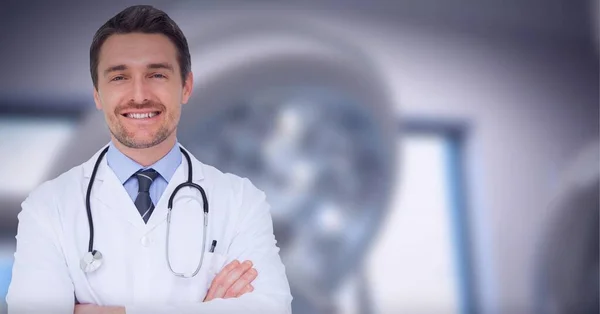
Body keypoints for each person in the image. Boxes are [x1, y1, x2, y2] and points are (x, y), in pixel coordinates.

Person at [6, 5, 292, 314]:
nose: (139, 94)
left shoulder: (241, 202)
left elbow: (270, 309)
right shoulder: (49, 207)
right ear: (98, 95)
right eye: (119, 77)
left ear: (186, 86)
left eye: (156, 74)